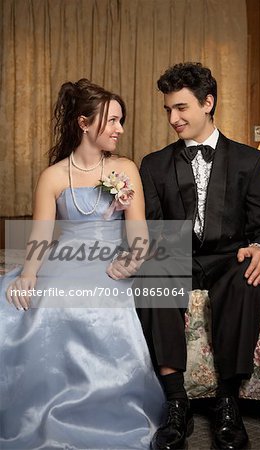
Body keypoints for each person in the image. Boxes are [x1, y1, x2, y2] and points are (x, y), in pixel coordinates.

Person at [0, 79, 165, 449]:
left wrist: (132, 259)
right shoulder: (54, 176)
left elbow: (139, 235)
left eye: (122, 121)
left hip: (109, 261)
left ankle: (106, 411)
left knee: (97, 299)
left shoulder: (125, 168)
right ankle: (41, 408)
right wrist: (27, 275)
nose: (120, 129)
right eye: (112, 121)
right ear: (84, 123)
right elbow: (41, 235)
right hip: (66, 256)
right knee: (28, 299)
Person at [135, 62, 260, 450]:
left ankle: (228, 400)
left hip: (228, 258)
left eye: (181, 108)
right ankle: (175, 402)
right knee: (154, 271)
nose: (173, 118)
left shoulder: (251, 161)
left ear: (208, 103)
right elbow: (151, 228)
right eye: (168, 109)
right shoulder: (153, 164)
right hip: (176, 254)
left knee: (247, 275)